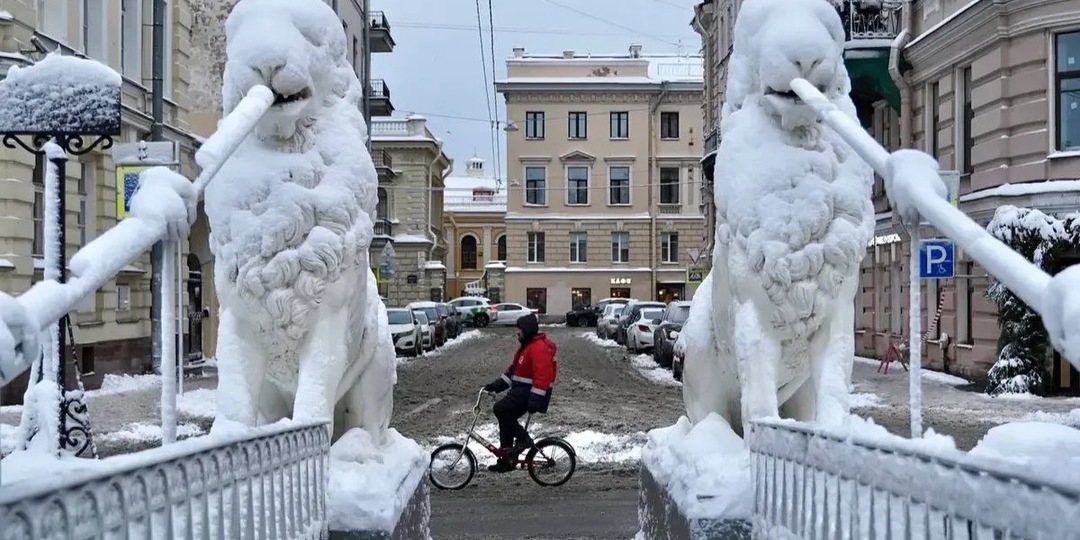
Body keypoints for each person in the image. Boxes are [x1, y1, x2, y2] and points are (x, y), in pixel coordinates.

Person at [482, 312, 557, 473]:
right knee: (505, 419)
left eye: (520, 329)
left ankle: (523, 440)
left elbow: (543, 376)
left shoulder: (538, 348)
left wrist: (535, 400)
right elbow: (513, 372)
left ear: (528, 330)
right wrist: (495, 386)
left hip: (529, 394)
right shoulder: (525, 347)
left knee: (501, 409)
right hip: (520, 392)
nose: (517, 332)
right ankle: (507, 458)